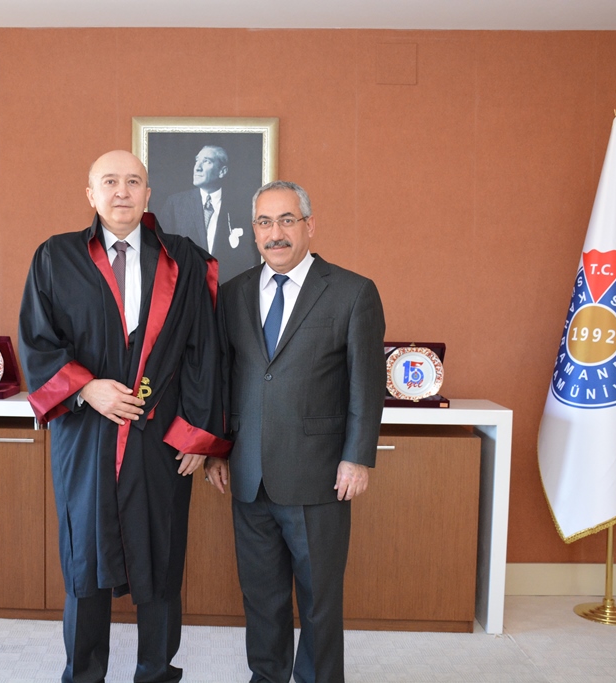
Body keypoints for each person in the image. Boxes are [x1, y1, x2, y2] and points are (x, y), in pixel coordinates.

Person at [19, 150, 231, 683]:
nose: (122, 191)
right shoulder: (56, 257)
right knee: (84, 559)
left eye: (133, 181)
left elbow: (204, 352)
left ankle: (156, 672)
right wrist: (87, 388)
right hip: (85, 433)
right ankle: (83, 673)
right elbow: (37, 340)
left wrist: (196, 436)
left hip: (160, 434)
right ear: (90, 194)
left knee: (160, 556)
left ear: (148, 193)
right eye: (110, 181)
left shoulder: (184, 260)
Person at [205, 180, 386, 683]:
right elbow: (224, 378)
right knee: (261, 596)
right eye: (265, 222)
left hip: (319, 476)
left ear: (310, 226)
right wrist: (217, 449)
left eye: (287, 220)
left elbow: (366, 383)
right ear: (254, 232)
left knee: (319, 599)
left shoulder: (353, 292)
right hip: (249, 475)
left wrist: (357, 457)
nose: (276, 233)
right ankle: (267, 676)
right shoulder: (234, 294)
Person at [158, 144, 260, 283]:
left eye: (206, 161)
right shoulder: (175, 204)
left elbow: (250, 257)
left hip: (228, 289)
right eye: (197, 160)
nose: (197, 167)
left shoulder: (242, 207)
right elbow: (162, 255)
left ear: (222, 172)